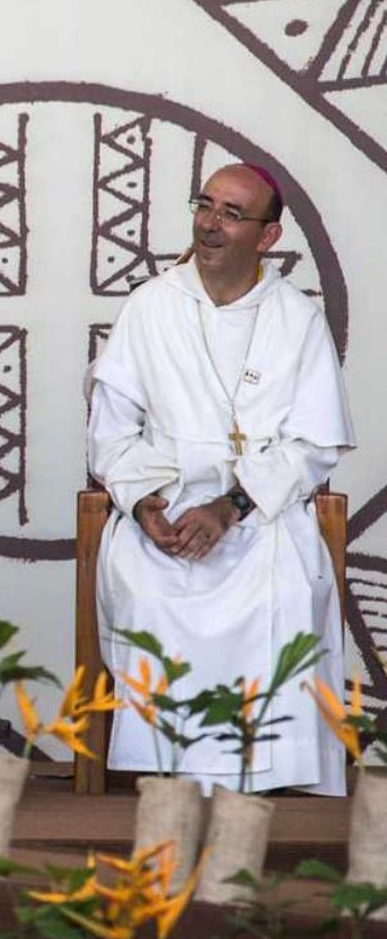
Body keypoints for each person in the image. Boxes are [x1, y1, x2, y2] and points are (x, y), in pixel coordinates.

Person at [88, 162, 355, 794]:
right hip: (166, 509)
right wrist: (143, 504)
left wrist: (231, 505)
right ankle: (170, 775)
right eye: (205, 206)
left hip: (260, 509)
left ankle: (266, 778)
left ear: (267, 237)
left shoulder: (297, 319)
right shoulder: (151, 305)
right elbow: (110, 429)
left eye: (232, 214)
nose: (210, 224)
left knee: (283, 595)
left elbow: (315, 443)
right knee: (150, 594)